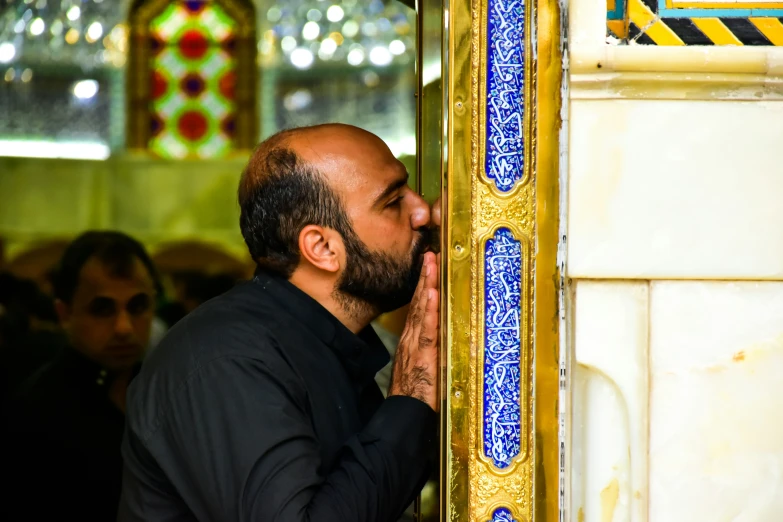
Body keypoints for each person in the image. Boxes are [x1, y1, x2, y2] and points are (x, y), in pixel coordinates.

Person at [118, 124, 441, 522]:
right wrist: (412, 395)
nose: (424, 211)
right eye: (393, 201)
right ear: (322, 248)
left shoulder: (324, 343)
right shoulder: (227, 360)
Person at [3, 231, 161, 521]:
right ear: (64, 314)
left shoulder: (168, 397)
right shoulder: (34, 414)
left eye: (138, 306)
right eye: (102, 309)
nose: (124, 327)